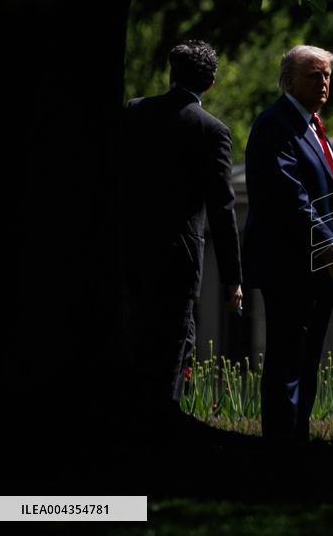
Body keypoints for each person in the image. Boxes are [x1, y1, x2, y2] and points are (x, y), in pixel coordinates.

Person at [119, 40, 243, 439]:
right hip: (178, 260)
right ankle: (159, 433)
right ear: (210, 84)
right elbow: (222, 210)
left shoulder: (135, 111)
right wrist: (232, 279)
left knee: (133, 344)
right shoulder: (212, 131)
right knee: (172, 350)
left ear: (171, 73)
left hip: (130, 253)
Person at [243, 45, 333, 444]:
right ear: (289, 81)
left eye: (327, 75)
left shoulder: (312, 125)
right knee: (287, 363)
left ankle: (297, 444)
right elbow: (286, 195)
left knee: (306, 364)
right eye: (314, 75)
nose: (324, 83)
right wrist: (327, 242)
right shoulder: (276, 124)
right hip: (292, 267)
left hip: (318, 269)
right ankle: (281, 451)